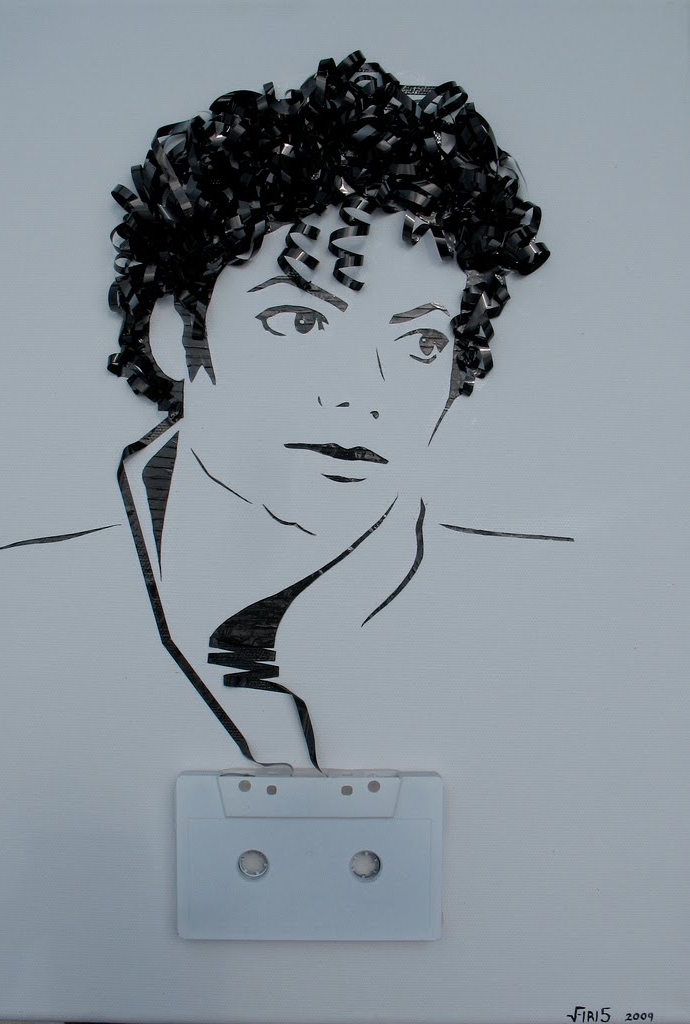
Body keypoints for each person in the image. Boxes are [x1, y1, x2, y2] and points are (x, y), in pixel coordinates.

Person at [107, 51, 549, 770]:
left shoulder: (527, 608)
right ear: (175, 334)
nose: (361, 392)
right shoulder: (13, 590)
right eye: (301, 322)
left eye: (421, 343)